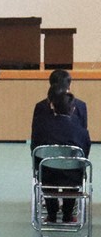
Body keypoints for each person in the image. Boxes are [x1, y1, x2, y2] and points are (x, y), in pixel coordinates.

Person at [31, 90, 91, 222]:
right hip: (72, 177)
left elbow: (34, 151)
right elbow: (85, 155)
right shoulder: (81, 132)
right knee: (76, 171)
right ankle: (68, 215)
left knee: (44, 170)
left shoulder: (42, 128)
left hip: (47, 175)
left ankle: (51, 214)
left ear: (52, 106)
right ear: (73, 109)